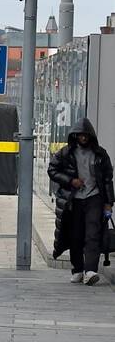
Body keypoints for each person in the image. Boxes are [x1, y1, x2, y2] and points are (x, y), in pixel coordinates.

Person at [47, 117, 115, 285]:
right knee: (76, 236)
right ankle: (78, 269)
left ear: (91, 136)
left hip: (94, 198)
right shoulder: (65, 153)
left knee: (93, 234)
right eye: (80, 135)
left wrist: (108, 203)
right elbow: (52, 170)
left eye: (86, 135)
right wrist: (71, 181)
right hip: (74, 200)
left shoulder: (101, 154)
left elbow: (107, 179)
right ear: (75, 136)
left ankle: (90, 270)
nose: (83, 138)